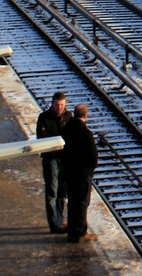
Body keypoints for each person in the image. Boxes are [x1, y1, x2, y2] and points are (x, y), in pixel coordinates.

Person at [61, 103, 101, 242]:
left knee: (72, 201)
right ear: (85, 115)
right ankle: (79, 233)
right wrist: (90, 170)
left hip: (68, 171)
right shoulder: (86, 133)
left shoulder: (67, 128)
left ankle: (73, 230)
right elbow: (93, 157)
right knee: (82, 203)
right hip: (82, 174)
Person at [35, 91, 70, 234]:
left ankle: (60, 219)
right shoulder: (44, 118)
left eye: (62, 105)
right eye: (57, 105)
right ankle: (54, 223)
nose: (59, 108)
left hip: (64, 158)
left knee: (63, 192)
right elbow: (42, 138)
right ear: (52, 104)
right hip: (51, 159)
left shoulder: (68, 116)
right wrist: (59, 141)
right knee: (52, 192)